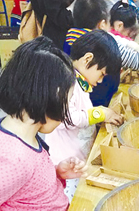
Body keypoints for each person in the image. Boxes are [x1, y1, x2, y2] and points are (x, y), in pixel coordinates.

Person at [0, 37, 85, 211]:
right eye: (66, 103)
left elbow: (26, 184)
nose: (66, 114)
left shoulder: (20, 130)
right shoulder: (12, 159)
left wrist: (56, 173)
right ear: (47, 98)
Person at [48, 30, 124, 200]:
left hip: (78, 160)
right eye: (102, 74)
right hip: (68, 165)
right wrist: (101, 113)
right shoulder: (67, 83)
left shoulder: (79, 82)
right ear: (88, 59)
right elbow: (69, 118)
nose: (102, 80)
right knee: (73, 201)